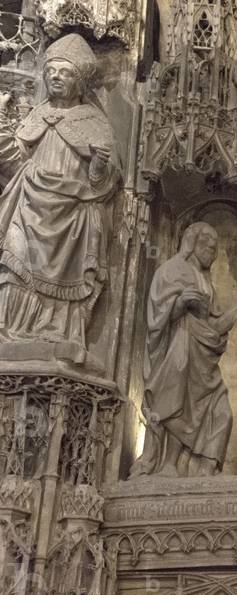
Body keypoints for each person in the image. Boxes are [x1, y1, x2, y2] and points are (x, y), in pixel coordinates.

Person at [0, 34, 120, 362]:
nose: (55, 76)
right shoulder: (36, 114)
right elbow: (13, 161)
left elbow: (105, 186)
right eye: (51, 71)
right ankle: (7, 331)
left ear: (79, 81)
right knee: (13, 264)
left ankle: (57, 333)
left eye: (64, 72)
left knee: (65, 278)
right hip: (27, 205)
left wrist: (97, 165)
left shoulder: (94, 122)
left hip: (71, 217)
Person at [131, 222, 237, 478]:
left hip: (203, 362)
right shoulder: (171, 271)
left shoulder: (206, 282)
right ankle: (168, 466)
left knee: (223, 414)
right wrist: (181, 302)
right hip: (178, 352)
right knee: (177, 406)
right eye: (208, 245)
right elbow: (156, 318)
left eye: (216, 247)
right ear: (192, 243)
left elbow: (214, 326)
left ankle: (204, 473)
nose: (213, 251)